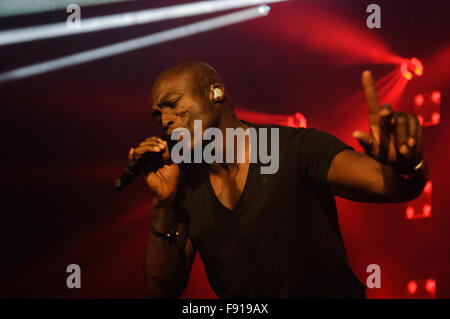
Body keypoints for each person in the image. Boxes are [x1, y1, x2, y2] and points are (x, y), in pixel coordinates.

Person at [128, 62, 427, 298]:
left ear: (215, 92)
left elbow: (389, 184)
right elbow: (162, 289)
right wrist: (163, 204)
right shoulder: (187, 183)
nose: (165, 120)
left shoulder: (294, 147)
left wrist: (406, 162)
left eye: (172, 104)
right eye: (158, 115)